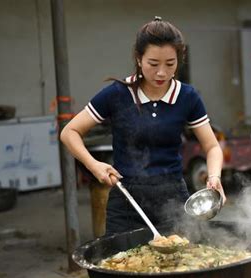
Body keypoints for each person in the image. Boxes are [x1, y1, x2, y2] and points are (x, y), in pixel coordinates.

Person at [60, 17, 225, 235]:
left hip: (173, 197)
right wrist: (94, 165)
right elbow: (69, 132)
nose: (162, 73)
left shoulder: (188, 97)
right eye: (153, 64)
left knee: (180, 264)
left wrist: (214, 177)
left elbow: (212, 147)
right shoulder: (117, 94)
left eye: (170, 64)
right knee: (121, 264)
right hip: (127, 198)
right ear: (139, 59)